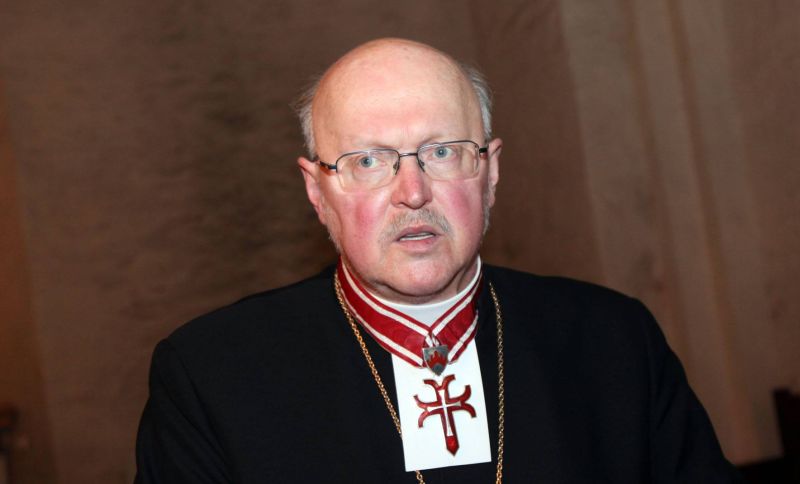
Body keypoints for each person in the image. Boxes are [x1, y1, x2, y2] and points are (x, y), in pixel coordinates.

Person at [135, 38, 741, 483]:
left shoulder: (615, 340)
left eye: (443, 152)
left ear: (490, 173)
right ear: (318, 193)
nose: (413, 192)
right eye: (368, 161)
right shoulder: (210, 376)